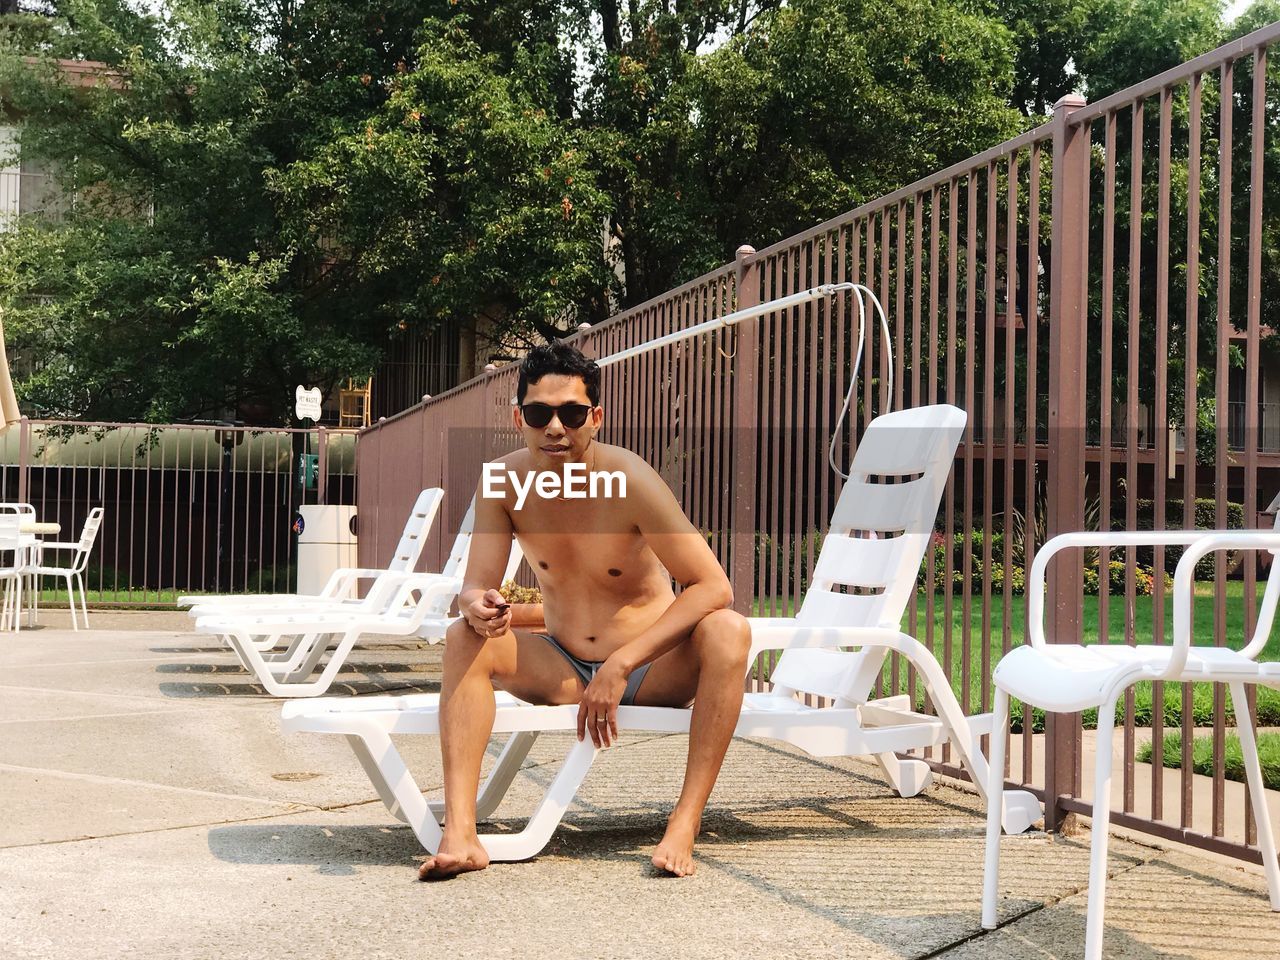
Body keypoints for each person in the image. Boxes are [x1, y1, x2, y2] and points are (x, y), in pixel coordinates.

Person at [419, 341, 751, 880]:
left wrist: (622, 664)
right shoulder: (502, 482)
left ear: (595, 418)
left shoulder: (631, 480)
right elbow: (475, 586)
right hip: (564, 664)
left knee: (728, 631)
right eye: (539, 413)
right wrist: (480, 607)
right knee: (463, 637)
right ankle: (460, 834)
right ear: (517, 418)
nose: (556, 427)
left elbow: (713, 586)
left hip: (651, 668)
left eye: (572, 414)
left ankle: (684, 822)